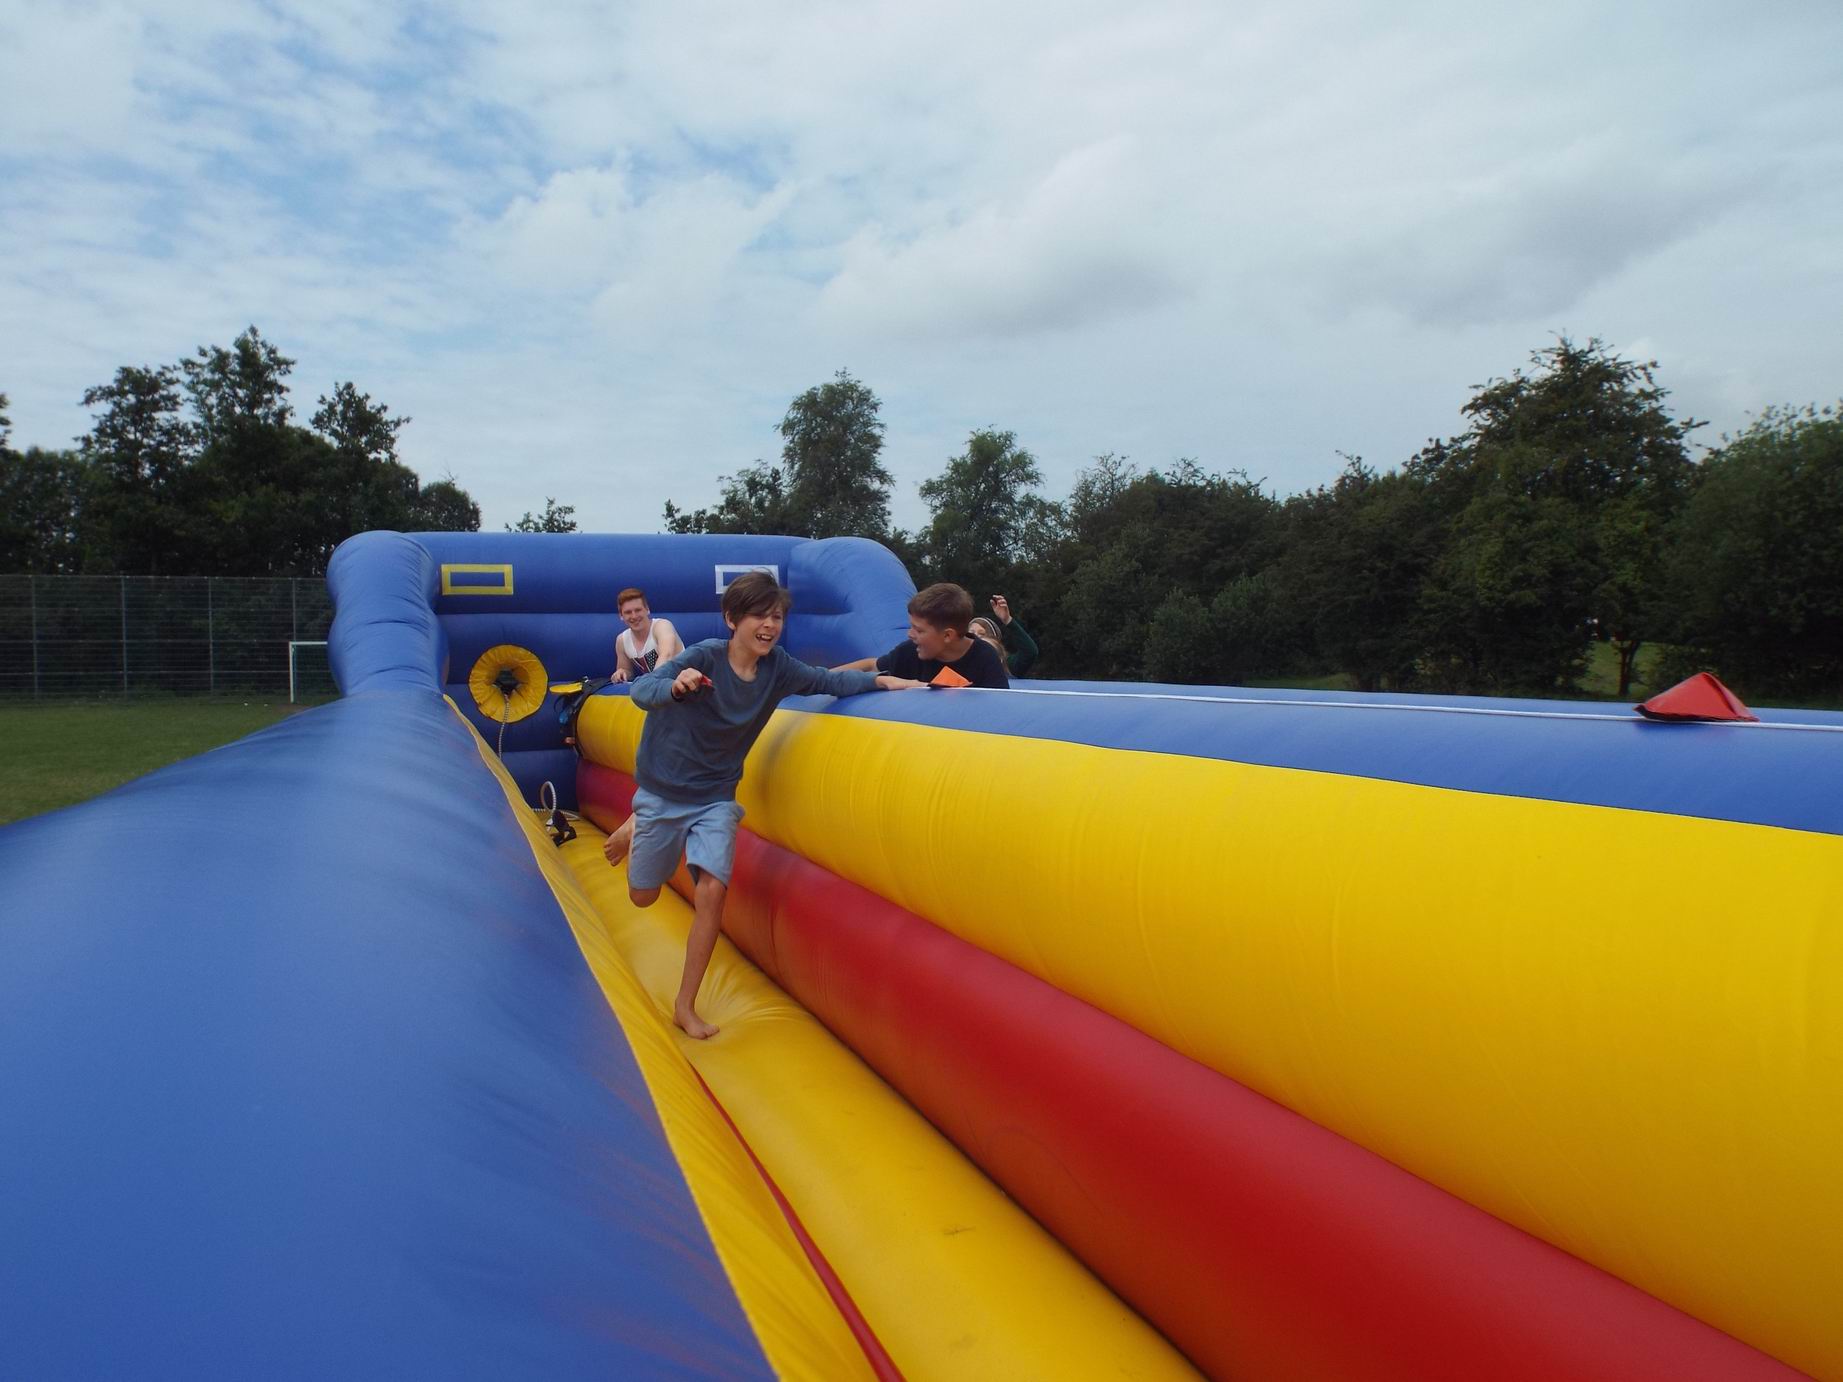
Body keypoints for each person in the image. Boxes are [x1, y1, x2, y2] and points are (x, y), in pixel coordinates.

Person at [604, 570, 925, 1038]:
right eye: (759, 615)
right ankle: (637, 824)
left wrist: (884, 682)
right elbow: (641, 692)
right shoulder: (704, 657)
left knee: (712, 893)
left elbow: (827, 681)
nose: (769, 625)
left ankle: (685, 1005)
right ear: (732, 619)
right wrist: (674, 685)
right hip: (664, 791)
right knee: (642, 897)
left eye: (776, 617)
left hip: (715, 797)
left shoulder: (778, 668)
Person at [836, 582, 1009, 689]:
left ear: (947, 636)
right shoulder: (909, 652)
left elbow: (999, 708)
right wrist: (823, 679)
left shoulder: (985, 657)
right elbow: (871, 666)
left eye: (919, 630)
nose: (910, 634)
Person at [611, 587, 683, 682]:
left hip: (682, 681)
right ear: (621, 616)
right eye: (628, 612)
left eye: (638, 610)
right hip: (655, 686)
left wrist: (649, 681)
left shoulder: (662, 626)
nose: (634, 616)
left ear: (647, 610)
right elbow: (627, 671)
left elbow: (666, 655)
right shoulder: (622, 640)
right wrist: (621, 673)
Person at [972, 594, 1038, 677]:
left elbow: (1030, 652)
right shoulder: (960, 664)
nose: (976, 637)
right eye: (971, 633)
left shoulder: (1006, 665)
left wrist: (1008, 620)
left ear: (995, 641)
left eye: (982, 634)